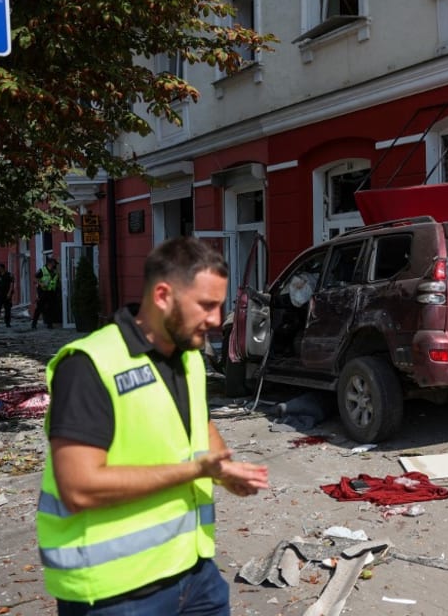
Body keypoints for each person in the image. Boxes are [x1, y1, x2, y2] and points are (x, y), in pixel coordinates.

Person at [36, 237, 269, 615]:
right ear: (163, 295)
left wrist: (225, 471)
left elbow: (198, 426)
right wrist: (195, 470)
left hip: (194, 575)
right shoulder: (89, 365)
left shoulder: (189, 357)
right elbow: (78, 488)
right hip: (114, 592)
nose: (215, 319)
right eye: (206, 306)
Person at [33, 256, 60, 329]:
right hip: (43, 291)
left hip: (51, 292)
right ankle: (34, 324)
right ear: (50, 263)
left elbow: (56, 281)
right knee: (39, 308)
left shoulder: (54, 271)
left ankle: (50, 324)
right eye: (54, 263)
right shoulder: (42, 270)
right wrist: (41, 284)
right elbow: (35, 279)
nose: (55, 265)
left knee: (50, 308)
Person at [0, 263, 14, 327]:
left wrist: (9, 293)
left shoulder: (9, 275)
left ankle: (7, 323)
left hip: (6, 294)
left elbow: (12, 284)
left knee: (7, 309)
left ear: (2, 268)